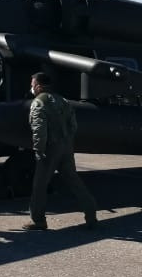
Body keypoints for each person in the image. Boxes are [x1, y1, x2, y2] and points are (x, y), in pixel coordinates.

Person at [24, 72, 97, 231]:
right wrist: (66, 142)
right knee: (74, 180)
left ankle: (38, 220)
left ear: (39, 85)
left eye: (32, 83)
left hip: (50, 148)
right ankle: (91, 213)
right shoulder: (62, 100)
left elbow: (39, 129)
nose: (31, 87)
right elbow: (73, 125)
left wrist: (39, 149)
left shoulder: (38, 103)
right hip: (66, 146)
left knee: (40, 185)